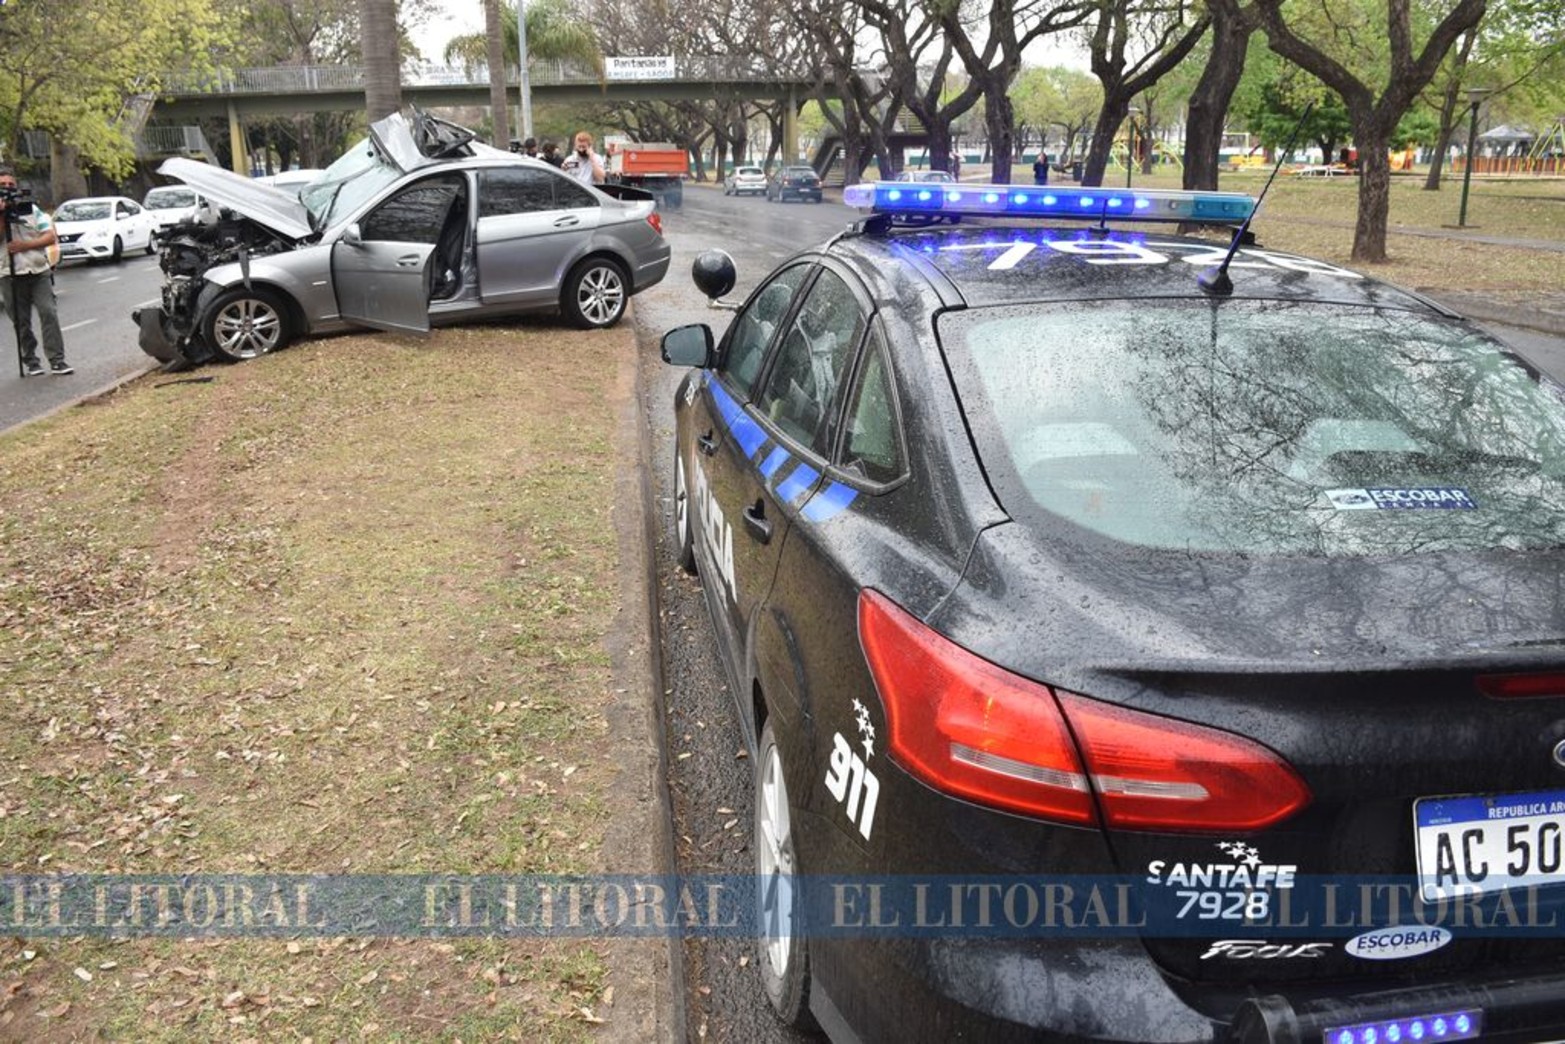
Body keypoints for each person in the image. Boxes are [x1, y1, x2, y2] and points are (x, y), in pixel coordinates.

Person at [0, 167, 69, 377]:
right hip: (9, 273)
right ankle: (30, 360)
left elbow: (49, 236)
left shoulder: (31, 209)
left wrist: (25, 246)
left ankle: (57, 360)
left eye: (11, 185)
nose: (7, 188)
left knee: (49, 312)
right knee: (21, 321)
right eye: (2, 185)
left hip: (38, 269)